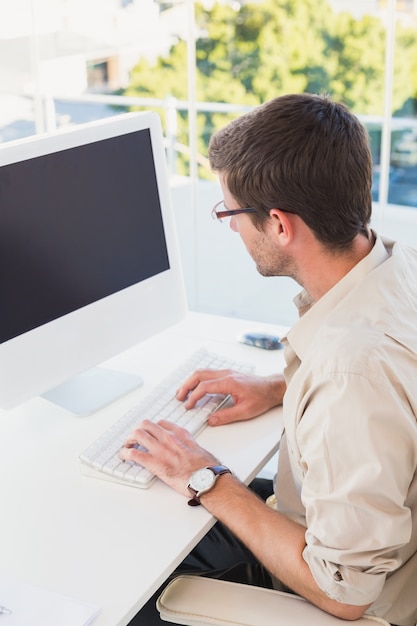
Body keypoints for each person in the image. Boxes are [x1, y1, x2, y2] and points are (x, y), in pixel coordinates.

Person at [122, 93, 417, 626]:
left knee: (124, 586)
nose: (232, 227)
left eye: (230, 212)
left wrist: (206, 475)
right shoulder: (396, 267)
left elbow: (345, 591)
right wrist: (283, 388)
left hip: (354, 598)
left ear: (280, 225)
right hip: (361, 534)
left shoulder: (351, 376)